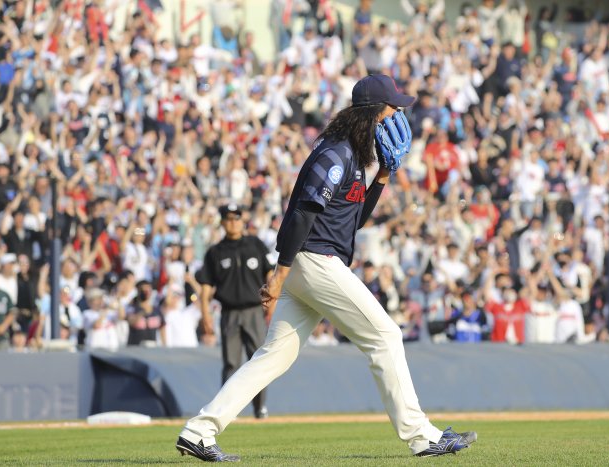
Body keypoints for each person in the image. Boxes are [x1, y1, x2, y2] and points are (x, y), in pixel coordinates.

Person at [176, 74, 476, 462]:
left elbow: (355, 221)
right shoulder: (337, 154)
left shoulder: (351, 153)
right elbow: (302, 213)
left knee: (274, 356)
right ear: (372, 112)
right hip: (312, 259)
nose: (398, 114)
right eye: (392, 107)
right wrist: (281, 273)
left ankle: (198, 431)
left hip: (312, 260)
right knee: (385, 335)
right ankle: (421, 436)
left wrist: (382, 177)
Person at [195, 203, 274, 419]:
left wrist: (272, 304)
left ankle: (260, 408)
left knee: (258, 361)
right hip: (229, 312)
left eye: (237, 218)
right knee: (231, 363)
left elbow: (270, 276)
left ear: (242, 220)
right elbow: (206, 287)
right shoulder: (215, 252)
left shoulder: (255, 245)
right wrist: (205, 314)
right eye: (229, 219)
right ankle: (227, 411)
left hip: (254, 311)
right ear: (222, 222)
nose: (233, 222)